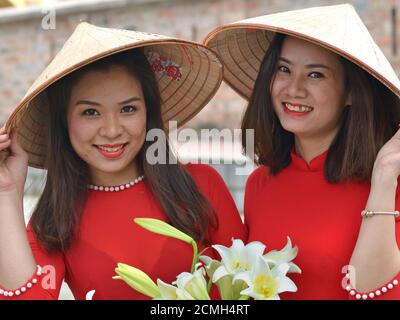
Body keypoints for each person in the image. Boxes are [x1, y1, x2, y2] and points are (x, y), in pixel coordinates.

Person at [0, 22, 246, 300]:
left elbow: (245, 293)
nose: (112, 130)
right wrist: (6, 193)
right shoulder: (54, 219)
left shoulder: (201, 185)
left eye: (128, 109)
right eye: (91, 112)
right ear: (64, 122)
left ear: (148, 114)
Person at [204, 4, 400, 299]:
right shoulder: (260, 183)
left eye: (315, 75)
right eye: (283, 69)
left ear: (350, 93)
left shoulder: (389, 186)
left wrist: (385, 177)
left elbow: (373, 291)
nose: (293, 89)